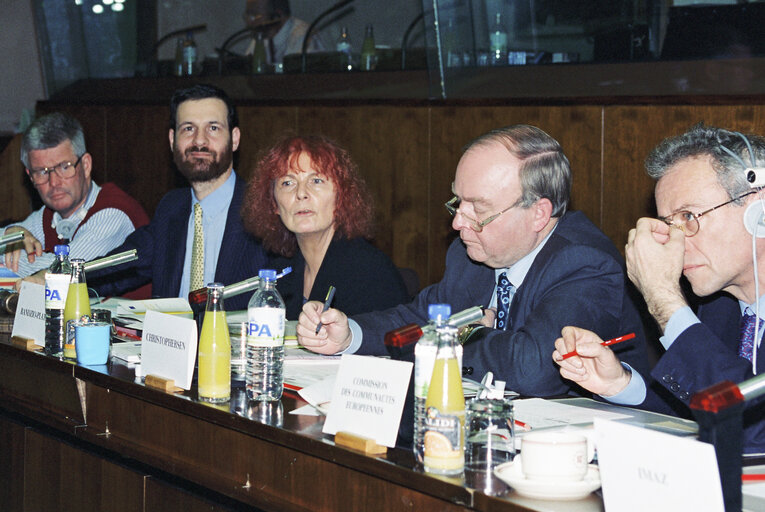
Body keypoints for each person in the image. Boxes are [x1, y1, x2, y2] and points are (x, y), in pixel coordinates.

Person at [297, 124, 650, 398]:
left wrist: (462, 333)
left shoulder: (583, 262)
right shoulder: (472, 253)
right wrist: (349, 336)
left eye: (477, 210)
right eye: (457, 203)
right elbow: (421, 316)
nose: (457, 223)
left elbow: (536, 368)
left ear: (539, 213)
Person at [552, 124, 765, 453]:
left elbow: (751, 432)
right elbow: (700, 409)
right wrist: (621, 385)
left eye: (689, 216)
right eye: (670, 224)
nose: (675, 244)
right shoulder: (719, 306)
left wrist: (664, 299)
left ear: (758, 212)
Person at [89, 84, 267, 310]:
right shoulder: (171, 208)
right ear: (172, 139)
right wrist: (61, 277)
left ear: (234, 138)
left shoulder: (264, 209)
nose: (199, 141)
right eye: (188, 129)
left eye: (213, 128)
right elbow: (118, 267)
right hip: (169, 342)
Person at [242, 134, 409, 319]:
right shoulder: (281, 272)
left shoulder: (369, 271)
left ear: (341, 196)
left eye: (316, 181)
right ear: (274, 204)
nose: (301, 193)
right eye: (288, 183)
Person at [2, 112, 149, 282]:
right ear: (30, 176)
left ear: (86, 165)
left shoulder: (114, 213)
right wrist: (10, 234)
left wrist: (8, 259)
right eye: (42, 172)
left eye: (64, 167)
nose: (54, 182)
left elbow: (62, 272)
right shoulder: (50, 215)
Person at [244, 0, 325, 67]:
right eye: (247, 16)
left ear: (277, 16)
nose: (249, 22)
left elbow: (301, 76)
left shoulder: (304, 35)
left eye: (254, 16)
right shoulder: (261, 36)